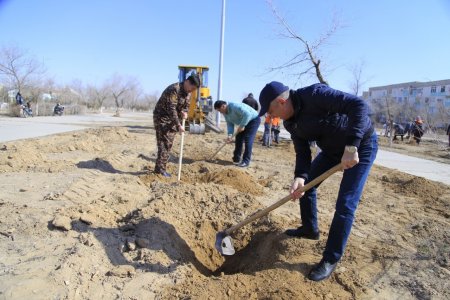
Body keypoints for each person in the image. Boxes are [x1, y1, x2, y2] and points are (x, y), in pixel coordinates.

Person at [258, 81, 378, 281]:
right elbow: (302, 152)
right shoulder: (290, 123)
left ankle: (330, 258)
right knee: (306, 186)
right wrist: (300, 176)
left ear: (281, 101)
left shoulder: (315, 95)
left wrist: (351, 147)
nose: (272, 117)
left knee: (345, 204)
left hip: (361, 145)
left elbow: (358, 105)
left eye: (271, 111)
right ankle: (309, 229)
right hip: (331, 151)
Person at [153, 74, 200, 177]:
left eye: (194, 90)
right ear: (187, 82)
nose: (191, 91)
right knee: (165, 143)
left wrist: (185, 112)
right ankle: (160, 170)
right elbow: (171, 109)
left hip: (172, 120)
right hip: (162, 118)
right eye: (191, 88)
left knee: (168, 144)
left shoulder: (188, 92)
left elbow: (186, 105)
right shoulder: (174, 89)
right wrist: (178, 125)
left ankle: (159, 168)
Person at [214, 100, 260, 167]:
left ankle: (246, 161)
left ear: (223, 106)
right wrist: (230, 135)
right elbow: (230, 124)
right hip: (244, 121)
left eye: (219, 110)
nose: (220, 112)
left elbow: (247, 114)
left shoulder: (234, 106)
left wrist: (242, 125)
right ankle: (236, 158)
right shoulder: (225, 113)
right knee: (238, 138)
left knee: (248, 139)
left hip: (253, 120)